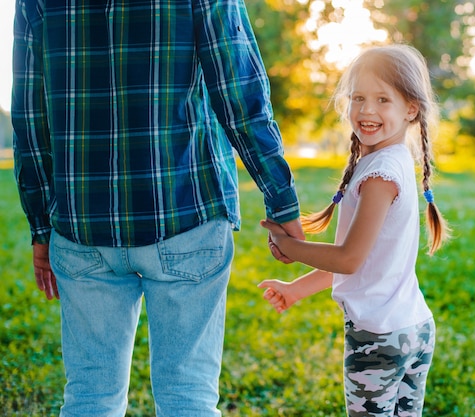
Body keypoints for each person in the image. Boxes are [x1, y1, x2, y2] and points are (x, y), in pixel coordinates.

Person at [12, 0, 303, 416]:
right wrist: (281, 199)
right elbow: (238, 90)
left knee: (90, 397)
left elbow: (29, 113)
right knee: (189, 396)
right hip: (187, 210)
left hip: (81, 222)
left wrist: (41, 227)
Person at [259, 44, 450, 417]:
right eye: (358, 97)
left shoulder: (381, 175)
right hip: (413, 327)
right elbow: (366, 264)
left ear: (411, 108)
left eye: (383, 99)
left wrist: (289, 246)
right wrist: (296, 290)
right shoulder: (392, 161)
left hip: (378, 339)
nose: (366, 110)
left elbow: (348, 259)